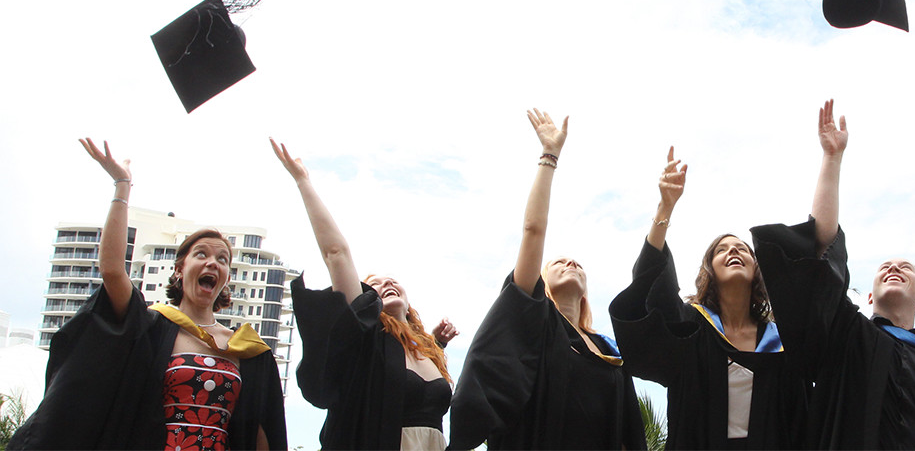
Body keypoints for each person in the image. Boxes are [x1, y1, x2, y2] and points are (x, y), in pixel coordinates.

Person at [11, 139, 286, 450]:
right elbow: (114, 271)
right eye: (201, 254)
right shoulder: (152, 327)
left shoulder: (248, 351)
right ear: (180, 269)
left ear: (225, 278)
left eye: (222, 259)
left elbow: (261, 433)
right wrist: (122, 187)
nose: (212, 262)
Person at [750, 100, 915, 449]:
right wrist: (832, 160)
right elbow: (821, 258)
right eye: (884, 267)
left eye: (906, 268)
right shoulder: (848, 336)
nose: (894, 268)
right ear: (869, 297)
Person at [449, 109, 646, 450]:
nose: (571, 262)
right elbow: (533, 231)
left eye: (578, 264)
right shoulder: (535, 323)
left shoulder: (607, 349)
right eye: (558, 261)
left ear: (587, 292)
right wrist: (549, 157)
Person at [609, 144, 806, 449]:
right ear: (709, 269)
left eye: (742, 248)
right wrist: (665, 208)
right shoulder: (691, 327)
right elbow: (651, 293)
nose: (734, 251)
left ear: (756, 269)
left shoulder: (780, 341)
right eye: (722, 249)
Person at [272, 138, 458, 450]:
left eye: (394, 280)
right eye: (376, 284)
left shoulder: (428, 352)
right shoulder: (368, 337)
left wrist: (436, 343)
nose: (388, 284)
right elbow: (336, 254)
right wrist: (303, 181)